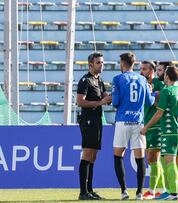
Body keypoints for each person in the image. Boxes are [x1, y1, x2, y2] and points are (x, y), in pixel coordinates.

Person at [112, 52, 155, 200]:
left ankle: (124, 191)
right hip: (138, 122)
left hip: (123, 120)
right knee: (140, 157)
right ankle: (139, 192)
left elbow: (115, 102)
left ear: (123, 63)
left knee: (118, 155)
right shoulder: (143, 80)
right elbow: (150, 102)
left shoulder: (118, 79)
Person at [141, 66, 178, 200]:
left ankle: (172, 193)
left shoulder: (167, 90)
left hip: (169, 130)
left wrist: (146, 127)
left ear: (167, 76)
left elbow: (159, 113)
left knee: (170, 162)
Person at [76, 52, 112, 200]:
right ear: (90, 65)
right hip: (88, 120)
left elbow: (104, 96)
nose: (101, 65)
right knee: (87, 154)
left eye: (102, 62)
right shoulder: (85, 80)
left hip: (97, 120)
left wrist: (109, 97)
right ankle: (83, 192)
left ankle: (89, 190)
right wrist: (99, 103)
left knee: (93, 156)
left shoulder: (99, 80)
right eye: (98, 62)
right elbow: (80, 101)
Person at [139, 61, 167, 200]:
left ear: (152, 71)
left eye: (144, 69)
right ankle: (160, 190)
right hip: (145, 124)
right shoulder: (141, 83)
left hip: (156, 125)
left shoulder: (160, 85)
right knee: (152, 161)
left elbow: (161, 105)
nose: (141, 71)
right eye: (140, 69)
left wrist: (151, 95)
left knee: (152, 157)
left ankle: (151, 190)